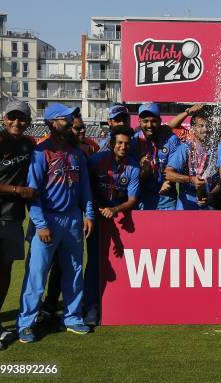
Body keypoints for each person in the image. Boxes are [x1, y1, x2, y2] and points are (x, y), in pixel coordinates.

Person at [17, 103, 95, 343]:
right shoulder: (41, 153)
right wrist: (40, 224)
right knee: (37, 275)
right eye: (65, 119)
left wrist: (89, 214)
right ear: (52, 123)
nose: (71, 122)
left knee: (73, 272)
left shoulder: (77, 153)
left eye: (71, 118)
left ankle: (72, 318)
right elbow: (33, 191)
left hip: (72, 218)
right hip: (48, 218)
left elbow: (85, 189)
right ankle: (26, 323)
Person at [0, 101, 37, 351]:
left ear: (29, 122)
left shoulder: (29, 144)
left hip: (14, 218)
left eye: (21, 119)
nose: (16, 123)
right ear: (4, 117)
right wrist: (17, 190)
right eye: (12, 117)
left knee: (4, 270)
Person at [84, 125, 140, 325]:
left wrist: (115, 210)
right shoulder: (96, 161)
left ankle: (115, 305)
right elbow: (86, 187)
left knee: (119, 265)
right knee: (94, 263)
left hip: (116, 217)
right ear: (112, 143)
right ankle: (90, 307)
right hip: (95, 216)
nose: (123, 147)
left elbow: (133, 199)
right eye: (119, 143)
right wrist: (94, 210)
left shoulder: (133, 167)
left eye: (126, 143)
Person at [166, 107, 221, 210]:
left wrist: (211, 195)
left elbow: (220, 181)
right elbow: (168, 173)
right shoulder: (185, 148)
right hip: (187, 207)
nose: (205, 129)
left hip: (209, 206)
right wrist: (191, 180)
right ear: (192, 128)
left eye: (208, 125)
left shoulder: (216, 150)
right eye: (201, 126)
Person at [131, 102, 181, 210]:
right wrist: (142, 168)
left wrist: (168, 181)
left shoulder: (171, 140)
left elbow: (175, 167)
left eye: (153, 121)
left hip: (166, 201)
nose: (149, 125)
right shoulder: (133, 141)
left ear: (160, 121)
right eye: (145, 121)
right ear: (139, 121)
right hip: (141, 201)